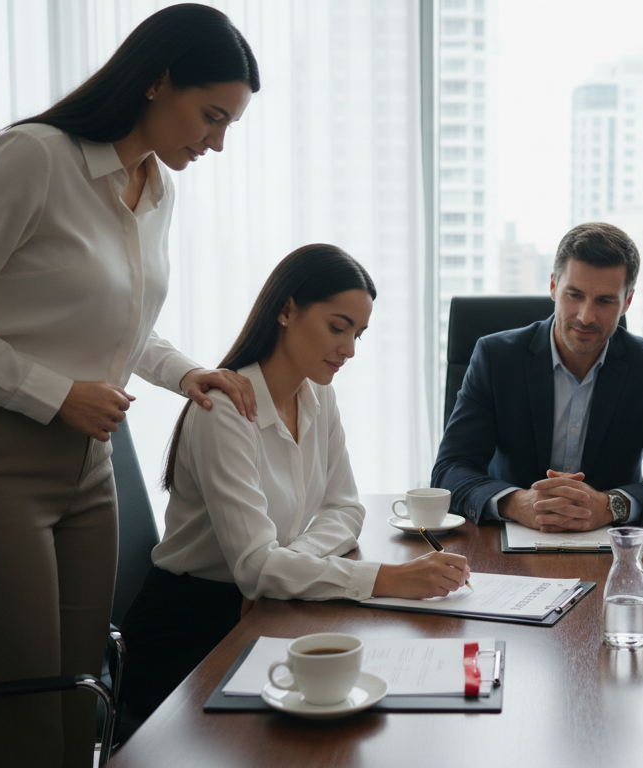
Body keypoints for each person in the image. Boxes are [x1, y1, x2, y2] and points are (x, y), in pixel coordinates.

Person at [0, 6, 260, 766]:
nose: (217, 142)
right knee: (16, 721)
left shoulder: (154, 190)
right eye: (210, 115)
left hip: (87, 469)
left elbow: (116, 324)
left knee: (79, 702)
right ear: (158, 81)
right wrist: (55, 394)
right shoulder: (34, 158)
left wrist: (182, 371)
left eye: (229, 125)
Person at [119, 245, 471, 736]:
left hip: (261, 607)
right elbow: (257, 568)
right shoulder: (225, 411)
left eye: (358, 333)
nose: (349, 348)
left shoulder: (317, 394)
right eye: (337, 326)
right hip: (189, 632)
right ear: (286, 310)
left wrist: (290, 562)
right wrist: (389, 578)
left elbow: (345, 509)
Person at [432, 222, 643, 531]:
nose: (586, 316)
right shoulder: (495, 357)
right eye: (574, 294)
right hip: (511, 541)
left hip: (610, 543)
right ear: (553, 286)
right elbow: (449, 471)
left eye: (605, 300)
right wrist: (516, 502)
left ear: (627, 301)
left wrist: (610, 505)